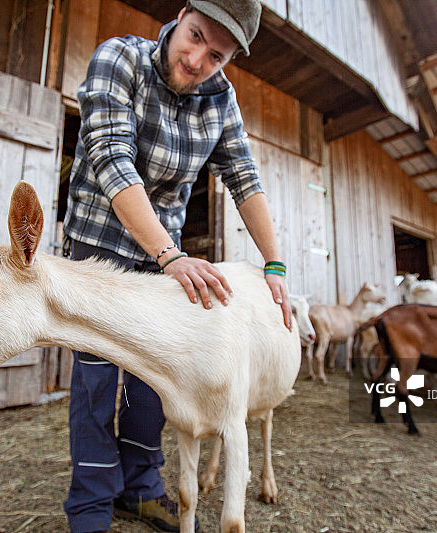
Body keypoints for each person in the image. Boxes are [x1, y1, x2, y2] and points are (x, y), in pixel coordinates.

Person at [62, 1, 292, 531]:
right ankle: (91, 507)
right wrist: (172, 254)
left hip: (162, 260)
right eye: (194, 37)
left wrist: (275, 265)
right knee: (98, 381)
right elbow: (111, 157)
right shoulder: (120, 57)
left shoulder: (221, 99)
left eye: (217, 55)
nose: (197, 60)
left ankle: (140, 489)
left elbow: (243, 177)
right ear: (182, 15)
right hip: (100, 246)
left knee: (158, 382)